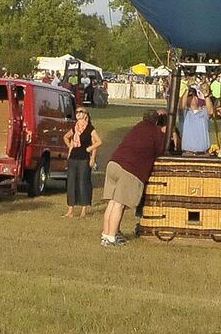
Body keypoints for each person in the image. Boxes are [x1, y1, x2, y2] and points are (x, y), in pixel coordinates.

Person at [99, 109, 167, 246]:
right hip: (129, 168)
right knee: (119, 204)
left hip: (114, 163)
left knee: (112, 202)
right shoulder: (155, 132)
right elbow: (160, 151)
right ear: (157, 121)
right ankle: (111, 238)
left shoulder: (136, 127)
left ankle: (105, 234)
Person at [64, 106, 102, 218]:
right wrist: (70, 147)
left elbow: (98, 142)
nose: (78, 114)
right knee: (71, 183)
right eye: (77, 112)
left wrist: (91, 155)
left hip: (84, 158)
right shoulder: (75, 127)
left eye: (81, 112)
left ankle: (83, 209)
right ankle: (70, 210)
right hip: (73, 158)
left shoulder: (90, 128)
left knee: (82, 182)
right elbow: (66, 137)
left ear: (85, 114)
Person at [181, 82, 212, 156]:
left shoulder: (203, 111)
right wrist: (187, 89)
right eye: (190, 96)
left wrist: (206, 95)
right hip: (188, 154)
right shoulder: (185, 113)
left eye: (195, 96)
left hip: (203, 154)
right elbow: (181, 105)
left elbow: (210, 111)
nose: (193, 98)